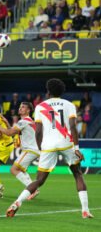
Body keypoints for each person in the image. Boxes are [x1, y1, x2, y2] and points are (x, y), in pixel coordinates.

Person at [6, 78, 93, 219]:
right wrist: (76, 147)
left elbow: (38, 131)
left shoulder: (40, 107)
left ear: (48, 91)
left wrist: (41, 149)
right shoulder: (69, 105)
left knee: (39, 180)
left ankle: (17, 202)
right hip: (66, 143)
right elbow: (72, 127)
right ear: (62, 91)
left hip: (48, 145)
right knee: (77, 174)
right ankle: (85, 210)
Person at [0, 102, 40, 199]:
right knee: (21, 170)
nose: (20, 108)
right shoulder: (28, 121)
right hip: (34, 150)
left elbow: (9, 133)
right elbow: (12, 130)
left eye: (23, 107)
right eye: (20, 107)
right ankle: (33, 189)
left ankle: (33, 189)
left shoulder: (23, 121)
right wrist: (6, 122)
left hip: (30, 150)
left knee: (13, 169)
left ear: (28, 110)